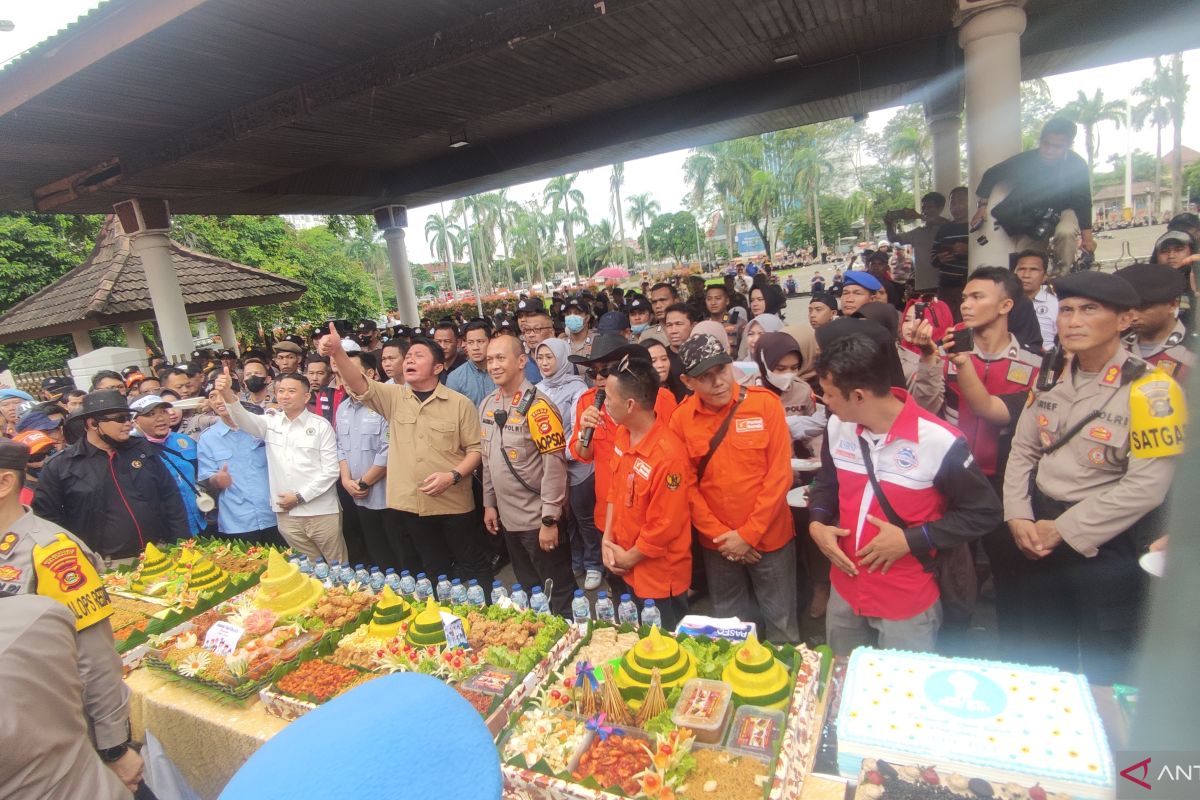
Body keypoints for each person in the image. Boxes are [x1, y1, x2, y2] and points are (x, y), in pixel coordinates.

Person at [1003, 271, 1181, 684]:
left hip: (1106, 540)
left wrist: (1061, 530)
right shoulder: (1050, 376)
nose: (1073, 321)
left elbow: (1146, 487)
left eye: (1089, 310)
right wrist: (1016, 514)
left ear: (1123, 320)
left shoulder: (1153, 390)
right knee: (1047, 654)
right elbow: (1024, 448)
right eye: (1066, 310)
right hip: (1039, 531)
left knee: (1110, 664)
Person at [808, 334, 1001, 655]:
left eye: (829, 394)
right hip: (845, 586)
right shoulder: (837, 426)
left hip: (906, 598)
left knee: (900, 689)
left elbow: (984, 513)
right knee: (842, 675)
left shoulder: (940, 442)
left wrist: (912, 540)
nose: (825, 401)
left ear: (858, 395)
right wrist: (817, 523)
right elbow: (828, 482)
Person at [0, 438, 142, 796]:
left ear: (5, 483)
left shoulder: (52, 551)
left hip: (56, 741)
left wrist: (114, 746)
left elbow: (94, 657)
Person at [916, 267, 1042, 651]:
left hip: (1006, 482)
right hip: (952, 482)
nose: (966, 305)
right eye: (965, 297)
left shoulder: (1035, 366)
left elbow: (997, 414)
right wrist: (929, 361)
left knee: (1012, 574)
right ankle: (949, 648)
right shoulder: (943, 356)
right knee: (951, 574)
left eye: (978, 298)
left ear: (1006, 305)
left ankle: (1017, 655)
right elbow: (924, 409)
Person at [319, 329, 489, 590]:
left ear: (438, 367)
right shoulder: (393, 397)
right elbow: (358, 383)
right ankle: (443, 618)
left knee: (473, 564)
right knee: (432, 566)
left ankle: (485, 614)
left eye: (418, 356)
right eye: (408, 356)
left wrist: (452, 476)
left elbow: (475, 450)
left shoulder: (459, 403)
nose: (409, 360)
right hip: (411, 503)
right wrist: (337, 352)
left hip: (453, 502)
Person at [669, 333, 799, 643]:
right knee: (730, 625)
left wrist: (748, 535)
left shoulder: (764, 405)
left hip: (770, 538)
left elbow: (779, 475)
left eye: (722, 371)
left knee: (781, 620)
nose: (719, 383)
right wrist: (726, 539)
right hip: (719, 545)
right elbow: (686, 487)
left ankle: (788, 680)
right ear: (688, 381)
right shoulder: (681, 420)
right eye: (705, 377)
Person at [480, 335, 576, 615]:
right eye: (489, 360)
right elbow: (488, 459)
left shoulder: (539, 408)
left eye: (501, 358)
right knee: (530, 591)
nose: (494, 365)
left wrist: (549, 519)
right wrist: (489, 503)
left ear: (522, 361)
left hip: (538, 521)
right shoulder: (488, 404)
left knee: (557, 591)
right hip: (509, 521)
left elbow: (555, 467)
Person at [34, 390, 187, 562]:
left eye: (129, 418)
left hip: (162, 552)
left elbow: (171, 498)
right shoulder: (61, 466)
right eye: (121, 419)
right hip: (108, 564)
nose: (128, 424)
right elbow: (48, 520)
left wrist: (181, 544)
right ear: (93, 424)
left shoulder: (142, 449)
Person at [214, 370, 346, 564]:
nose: (285, 395)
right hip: (287, 514)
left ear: (306, 396)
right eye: (281, 391)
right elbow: (243, 419)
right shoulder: (270, 423)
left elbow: (331, 471)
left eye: (291, 391)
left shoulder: (321, 426)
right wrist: (227, 395)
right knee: (308, 570)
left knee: (338, 565)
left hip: (321, 511)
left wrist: (300, 496)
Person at [602, 356, 693, 630]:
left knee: (664, 653)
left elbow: (664, 525)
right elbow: (614, 493)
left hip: (658, 576)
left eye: (608, 397)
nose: (603, 403)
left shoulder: (668, 456)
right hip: (622, 563)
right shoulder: (623, 434)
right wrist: (607, 540)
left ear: (630, 404)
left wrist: (628, 558)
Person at [972, 117, 1096, 272]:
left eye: (1057, 147)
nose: (1049, 151)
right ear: (1041, 140)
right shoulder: (1026, 161)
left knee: (1066, 232)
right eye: (1046, 144)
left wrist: (1087, 238)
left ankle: (1061, 277)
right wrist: (982, 207)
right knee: (1025, 257)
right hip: (1034, 216)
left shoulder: (1077, 165)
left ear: (1068, 145)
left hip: (1066, 209)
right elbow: (991, 174)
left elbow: (1083, 201)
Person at [534, 338, 600, 589]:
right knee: (565, 518)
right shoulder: (538, 389)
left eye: (549, 357)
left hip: (576, 463)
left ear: (561, 358)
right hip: (552, 467)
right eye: (540, 357)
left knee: (584, 517)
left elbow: (577, 427)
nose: (544, 362)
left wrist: (560, 453)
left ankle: (594, 563)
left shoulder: (577, 389)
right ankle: (577, 560)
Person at [335, 351, 402, 572]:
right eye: (343, 375)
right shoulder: (342, 409)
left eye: (352, 373)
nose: (347, 380)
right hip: (358, 497)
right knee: (377, 553)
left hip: (389, 496)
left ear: (371, 373)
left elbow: (388, 449)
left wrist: (364, 482)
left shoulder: (385, 405)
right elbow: (340, 448)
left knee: (400, 554)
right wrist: (346, 481)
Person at [196, 388, 286, 547]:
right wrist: (218, 480)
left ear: (236, 396)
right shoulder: (208, 438)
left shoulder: (262, 426)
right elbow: (208, 478)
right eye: (212, 397)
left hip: (276, 513)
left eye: (222, 394)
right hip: (238, 520)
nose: (218, 401)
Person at [129, 395, 208, 537]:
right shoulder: (130, 451)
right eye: (151, 414)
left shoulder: (185, 441)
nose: (160, 418)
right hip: (166, 532)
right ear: (135, 420)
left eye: (163, 411)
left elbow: (199, 475)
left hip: (200, 523)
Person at [1117, 262, 1194, 382]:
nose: (1133, 317)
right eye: (1127, 308)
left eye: (1142, 307)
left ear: (1173, 305)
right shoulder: (1115, 346)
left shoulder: (1192, 352)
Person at [886, 192, 949, 293]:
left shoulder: (946, 228)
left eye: (930, 207)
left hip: (943, 284)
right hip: (922, 285)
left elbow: (946, 223)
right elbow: (893, 238)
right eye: (924, 207)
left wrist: (919, 216)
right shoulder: (918, 232)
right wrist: (889, 224)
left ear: (940, 208)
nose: (925, 210)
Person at [931, 187, 971, 316]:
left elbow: (987, 253)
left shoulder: (975, 227)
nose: (957, 206)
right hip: (945, 286)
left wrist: (968, 250)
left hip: (967, 286)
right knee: (945, 321)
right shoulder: (944, 229)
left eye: (961, 201)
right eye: (953, 203)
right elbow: (932, 258)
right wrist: (939, 259)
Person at [1013, 249, 1058, 348]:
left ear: (1044, 277)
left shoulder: (1056, 305)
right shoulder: (1004, 303)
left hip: (1043, 360)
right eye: (1021, 269)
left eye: (1034, 270)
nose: (1026, 275)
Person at [447, 320, 495, 405]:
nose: (475, 347)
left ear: (490, 342)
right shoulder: (455, 378)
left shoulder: (503, 370)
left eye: (480, 341)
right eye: (470, 342)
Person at [560, 297, 596, 363]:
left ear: (587, 318)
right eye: (568, 314)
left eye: (577, 313)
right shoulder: (561, 345)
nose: (572, 317)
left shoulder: (597, 341)